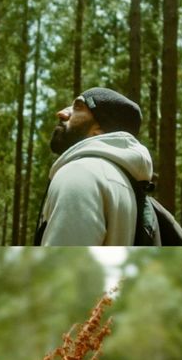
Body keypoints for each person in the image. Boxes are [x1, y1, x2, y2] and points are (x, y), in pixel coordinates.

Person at [34, 87, 159, 246]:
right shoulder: (123, 182)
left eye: (78, 107)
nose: (62, 113)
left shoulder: (81, 174)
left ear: (99, 129)